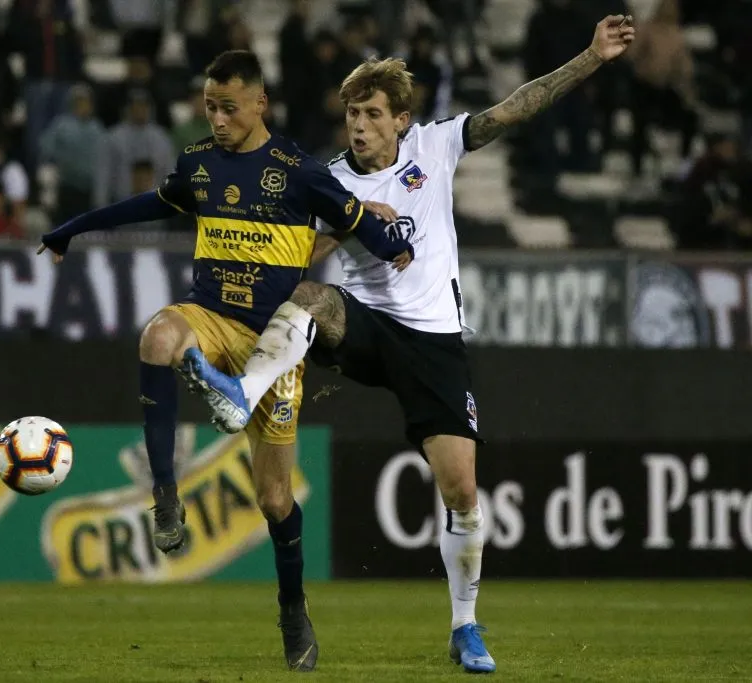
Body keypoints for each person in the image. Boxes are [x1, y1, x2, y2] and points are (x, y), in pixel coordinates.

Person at [183, 15, 636, 675]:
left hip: (434, 344)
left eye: (370, 113)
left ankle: (464, 625)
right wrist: (356, 224)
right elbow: (298, 258)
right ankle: (239, 393)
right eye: (350, 113)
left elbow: (516, 107)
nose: (357, 124)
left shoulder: (436, 145)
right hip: (366, 324)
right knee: (310, 296)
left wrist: (592, 57)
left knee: (462, 490)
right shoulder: (334, 181)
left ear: (400, 120)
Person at [36, 50, 411, 672]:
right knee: (158, 337)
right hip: (210, 317)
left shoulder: (299, 171)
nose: (217, 118)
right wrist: (72, 228)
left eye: (228, 107)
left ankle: (293, 608)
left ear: (259, 104)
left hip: (272, 343)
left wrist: (393, 242)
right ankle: (165, 495)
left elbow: (356, 222)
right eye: (209, 106)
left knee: (273, 500)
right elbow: (147, 205)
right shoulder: (200, 165)